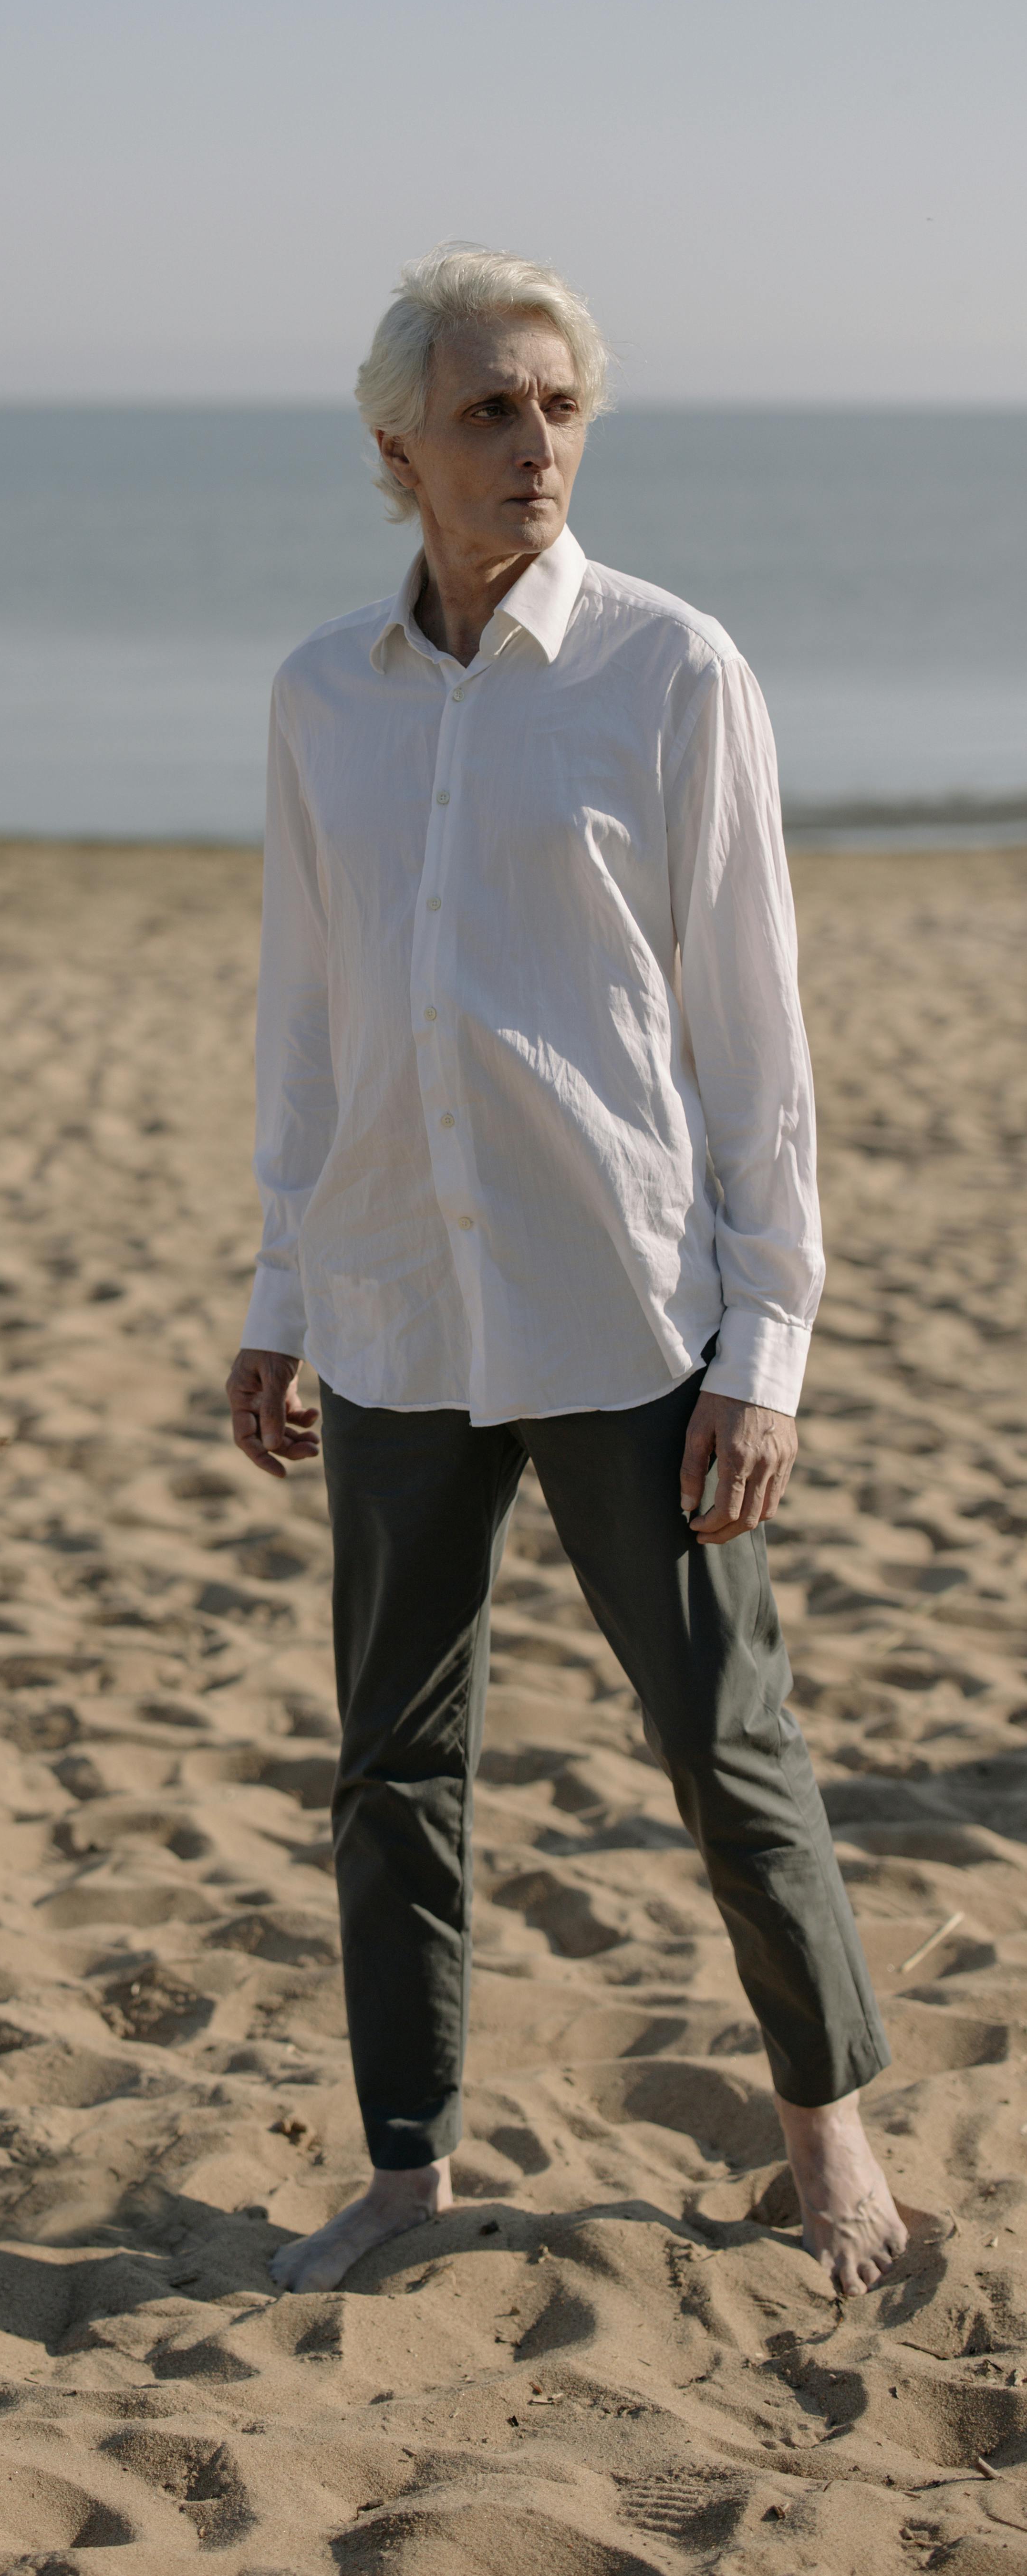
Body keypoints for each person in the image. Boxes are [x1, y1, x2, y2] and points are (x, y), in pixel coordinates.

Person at [226, 245, 906, 2300]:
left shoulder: (670, 670)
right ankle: (407, 2171)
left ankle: (831, 2146)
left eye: (556, 405)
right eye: (486, 411)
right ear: (393, 451)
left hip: (626, 1310)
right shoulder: (314, 698)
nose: (530, 445)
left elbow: (749, 1033)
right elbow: (306, 1021)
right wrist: (276, 1294)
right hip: (392, 1307)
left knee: (725, 1739)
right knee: (388, 1763)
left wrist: (761, 1339)